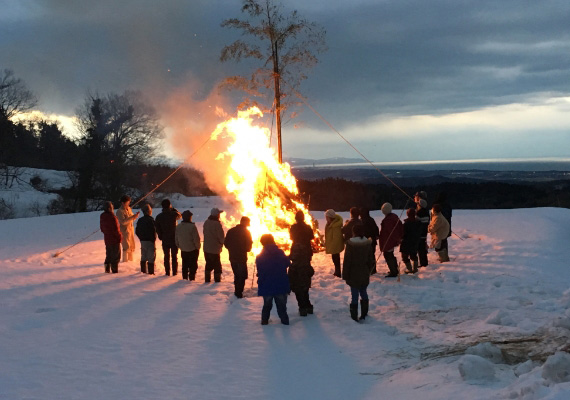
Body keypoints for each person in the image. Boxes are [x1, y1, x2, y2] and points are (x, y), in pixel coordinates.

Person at [256, 234, 290, 325]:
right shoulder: (280, 253)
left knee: (267, 305)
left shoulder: (260, 256)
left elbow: (260, 270)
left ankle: (264, 321)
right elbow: (287, 263)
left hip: (266, 284)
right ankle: (285, 322)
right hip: (280, 283)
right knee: (281, 306)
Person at [342, 224, 373, 322]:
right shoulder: (367, 243)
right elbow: (370, 259)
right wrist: (370, 269)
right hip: (364, 271)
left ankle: (354, 315)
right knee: (363, 291)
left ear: (353, 232)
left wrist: (345, 274)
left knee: (354, 294)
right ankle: (364, 313)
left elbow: (347, 261)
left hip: (353, 272)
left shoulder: (350, 244)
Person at [288, 210, 315, 316]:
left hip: (296, 252)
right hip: (306, 252)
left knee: (297, 273)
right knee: (305, 271)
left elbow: (291, 237)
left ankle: (303, 307)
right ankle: (307, 305)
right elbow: (312, 237)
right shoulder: (307, 227)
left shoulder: (293, 227)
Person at [224, 216, 253, 297]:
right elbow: (248, 247)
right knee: (242, 275)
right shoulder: (246, 232)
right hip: (241, 258)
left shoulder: (231, 231)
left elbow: (226, 243)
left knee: (237, 275)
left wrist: (232, 249)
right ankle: (239, 293)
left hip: (232, 257)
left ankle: (237, 291)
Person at [155, 199, 182, 276]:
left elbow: (157, 228)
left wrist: (160, 236)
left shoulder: (159, 216)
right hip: (173, 238)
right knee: (174, 256)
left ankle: (167, 272)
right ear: (169, 205)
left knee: (166, 256)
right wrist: (174, 210)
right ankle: (175, 272)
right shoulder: (173, 214)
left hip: (165, 238)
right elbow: (180, 216)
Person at [378, 202, 404, 278]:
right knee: (390, 254)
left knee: (388, 255)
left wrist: (396, 239)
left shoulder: (388, 220)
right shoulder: (394, 217)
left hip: (388, 240)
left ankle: (393, 271)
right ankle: (394, 269)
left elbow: (391, 232)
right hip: (390, 240)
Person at [175, 210, 201, 281]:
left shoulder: (178, 227)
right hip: (192, 249)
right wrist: (197, 248)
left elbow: (176, 238)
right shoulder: (192, 227)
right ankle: (191, 279)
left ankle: (185, 278)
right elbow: (196, 239)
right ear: (189, 217)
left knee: (185, 265)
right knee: (193, 265)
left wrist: (179, 246)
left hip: (183, 249)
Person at [203, 207, 225, 282]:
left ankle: (207, 279)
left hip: (206, 248)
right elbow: (221, 236)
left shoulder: (206, 222)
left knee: (208, 263)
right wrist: (222, 243)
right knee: (217, 266)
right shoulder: (217, 224)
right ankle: (217, 281)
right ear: (217, 215)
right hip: (215, 248)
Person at [116, 195, 140, 262]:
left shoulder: (129, 209)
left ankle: (131, 261)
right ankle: (125, 262)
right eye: (127, 202)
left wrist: (135, 216)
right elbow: (123, 222)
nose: (128, 204)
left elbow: (131, 219)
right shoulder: (119, 211)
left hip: (131, 231)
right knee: (126, 247)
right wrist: (132, 217)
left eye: (129, 202)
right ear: (123, 203)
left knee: (132, 246)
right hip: (124, 232)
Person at [100, 201, 122, 274]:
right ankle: (114, 271)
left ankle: (107, 270)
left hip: (107, 239)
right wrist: (119, 237)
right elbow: (116, 229)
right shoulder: (112, 217)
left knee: (108, 254)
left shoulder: (102, 216)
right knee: (116, 256)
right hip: (114, 240)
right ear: (110, 208)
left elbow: (102, 228)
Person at [135, 204, 157, 275]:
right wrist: (153, 239)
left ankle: (143, 271)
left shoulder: (140, 220)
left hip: (143, 241)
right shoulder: (151, 220)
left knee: (143, 256)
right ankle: (151, 272)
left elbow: (137, 231)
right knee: (151, 257)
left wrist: (141, 238)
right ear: (148, 211)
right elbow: (154, 231)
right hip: (150, 241)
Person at [400, 208, 421, 274]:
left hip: (406, 242)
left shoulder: (406, 224)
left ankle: (410, 269)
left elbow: (403, 234)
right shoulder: (418, 223)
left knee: (404, 256)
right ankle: (415, 269)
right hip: (415, 242)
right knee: (413, 255)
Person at [433, 192, 452, 262]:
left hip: (441, 226)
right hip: (447, 225)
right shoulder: (448, 205)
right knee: (444, 240)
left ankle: (443, 258)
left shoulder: (439, 206)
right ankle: (445, 256)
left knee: (440, 242)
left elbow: (438, 217)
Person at [324, 209, 344, 277]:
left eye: (327, 217)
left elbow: (336, 237)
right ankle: (337, 271)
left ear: (330, 217)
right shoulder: (330, 224)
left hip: (335, 244)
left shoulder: (335, 225)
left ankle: (338, 272)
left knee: (336, 258)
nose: (326, 218)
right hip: (332, 243)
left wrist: (333, 245)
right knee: (334, 258)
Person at [360, 207, 380, 274]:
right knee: (372, 255)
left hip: (365, 241)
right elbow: (376, 229)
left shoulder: (362, 221)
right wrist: (376, 235)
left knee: (366, 255)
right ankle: (373, 269)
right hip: (372, 241)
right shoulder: (371, 220)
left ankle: (369, 269)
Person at [415, 197, 430, 268]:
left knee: (420, 249)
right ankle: (425, 262)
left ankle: (423, 263)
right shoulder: (427, 213)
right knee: (423, 248)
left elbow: (416, 222)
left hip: (419, 233)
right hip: (424, 232)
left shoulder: (419, 213)